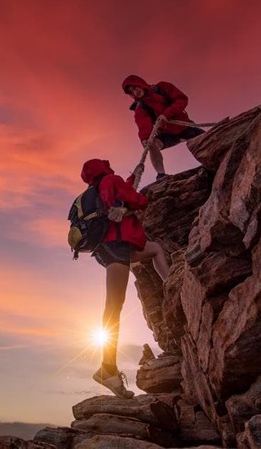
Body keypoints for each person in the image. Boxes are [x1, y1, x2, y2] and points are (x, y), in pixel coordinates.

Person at [80, 158, 170, 398]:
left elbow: (117, 193)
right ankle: (107, 368)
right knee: (113, 306)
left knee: (155, 249)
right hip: (116, 247)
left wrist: (134, 176)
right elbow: (134, 200)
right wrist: (139, 198)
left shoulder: (96, 189)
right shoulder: (111, 181)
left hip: (105, 249)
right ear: (103, 168)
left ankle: (171, 283)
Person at [122, 74, 204, 180]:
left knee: (210, 138)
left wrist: (166, 114)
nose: (135, 92)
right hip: (167, 134)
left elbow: (181, 99)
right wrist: (145, 139)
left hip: (185, 127)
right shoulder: (141, 109)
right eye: (131, 92)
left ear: (140, 83)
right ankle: (161, 175)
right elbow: (143, 126)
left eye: (135, 87)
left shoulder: (162, 88)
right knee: (151, 143)